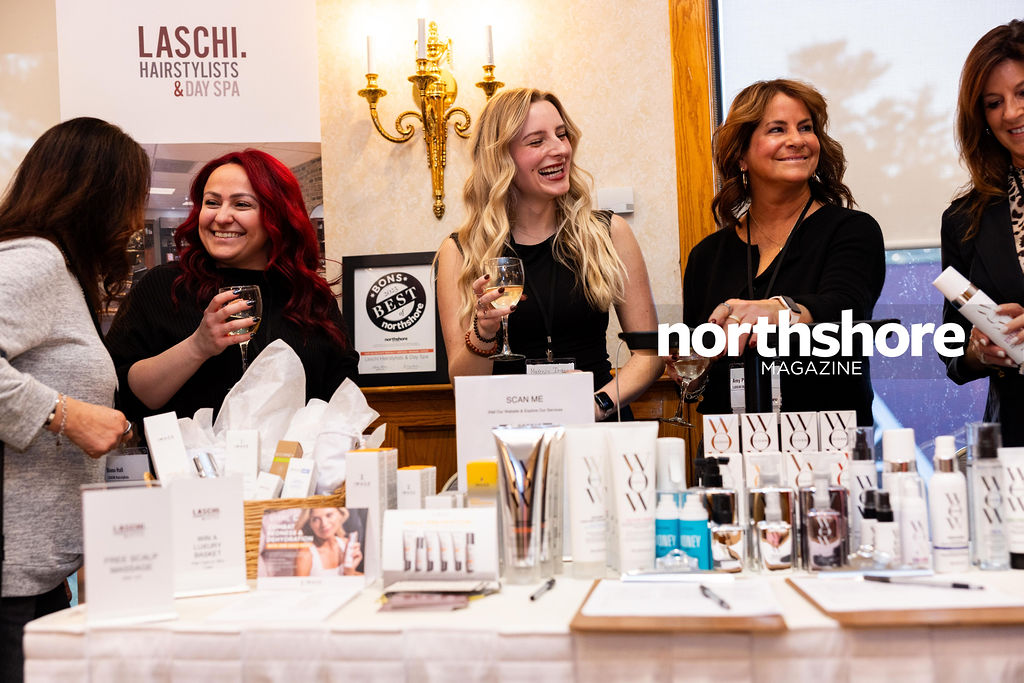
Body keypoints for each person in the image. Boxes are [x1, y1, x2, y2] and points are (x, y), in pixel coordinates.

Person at [0, 117, 149, 682]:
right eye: (130, 201)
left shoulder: (60, 271)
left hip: (37, 575)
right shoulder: (33, 261)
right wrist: (65, 414)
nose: (134, 222)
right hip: (11, 582)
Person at [435, 88, 662, 421]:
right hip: (511, 431)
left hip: (598, 428)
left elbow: (650, 355)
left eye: (561, 135)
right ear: (500, 158)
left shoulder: (608, 233)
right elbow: (463, 385)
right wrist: (484, 332)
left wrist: (597, 405)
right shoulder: (462, 251)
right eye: (537, 141)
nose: (560, 150)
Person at [106, 150, 359, 428]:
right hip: (189, 457)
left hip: (293, 457)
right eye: (212, 202)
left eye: (241, 204)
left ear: (277, 215)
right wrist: (197, 346)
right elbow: (122, 393)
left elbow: (343, 395)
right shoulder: (164, 286)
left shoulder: (308, 295)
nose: (222, 217)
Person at [683, 79, 885, 425]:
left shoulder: (852, 230)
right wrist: (693, 371)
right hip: (729, 439)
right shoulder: (706, 256)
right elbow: (698, 371)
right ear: (741, 156)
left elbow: (846, 307)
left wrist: (776, 310)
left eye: (805, 128)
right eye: (778, 129)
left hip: (828, 435)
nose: (797, 139)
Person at [941, 20, 1024, 447]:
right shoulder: (964, 219)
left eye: (1023, 93)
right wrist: (978, 352)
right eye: (994, 103)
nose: (1010, 113)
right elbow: (952, 346)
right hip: (1016, 442)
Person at [294, 508, 363, 576]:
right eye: (316, 519)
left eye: (329, 515)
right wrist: (349, 575)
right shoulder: (306, 554)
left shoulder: (345, 544)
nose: (324, 524)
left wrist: (351, 571)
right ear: (309, 524)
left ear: (340, 515)